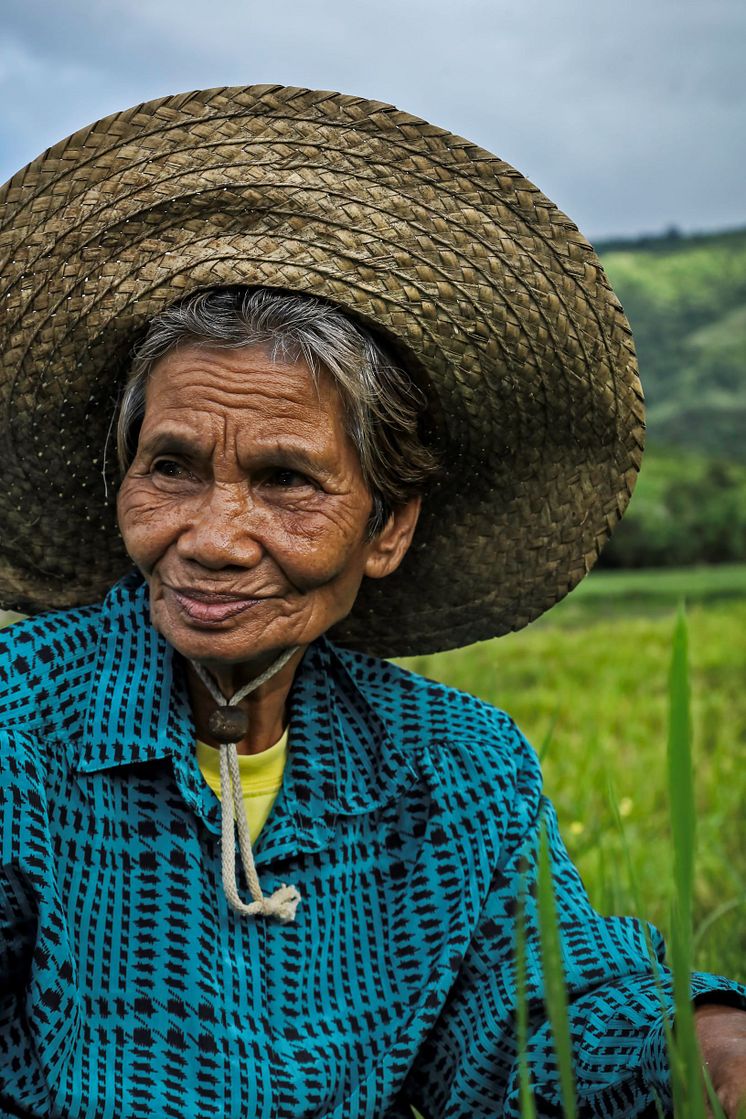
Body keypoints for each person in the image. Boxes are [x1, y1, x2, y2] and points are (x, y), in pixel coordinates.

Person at [0, 84, 744, 1119]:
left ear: (387, 527)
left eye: (286, 481)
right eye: (169, 467)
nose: (211, 539)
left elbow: (541, 1019)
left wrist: (702, 1037)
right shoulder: (18, 723)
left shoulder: (453, 771)